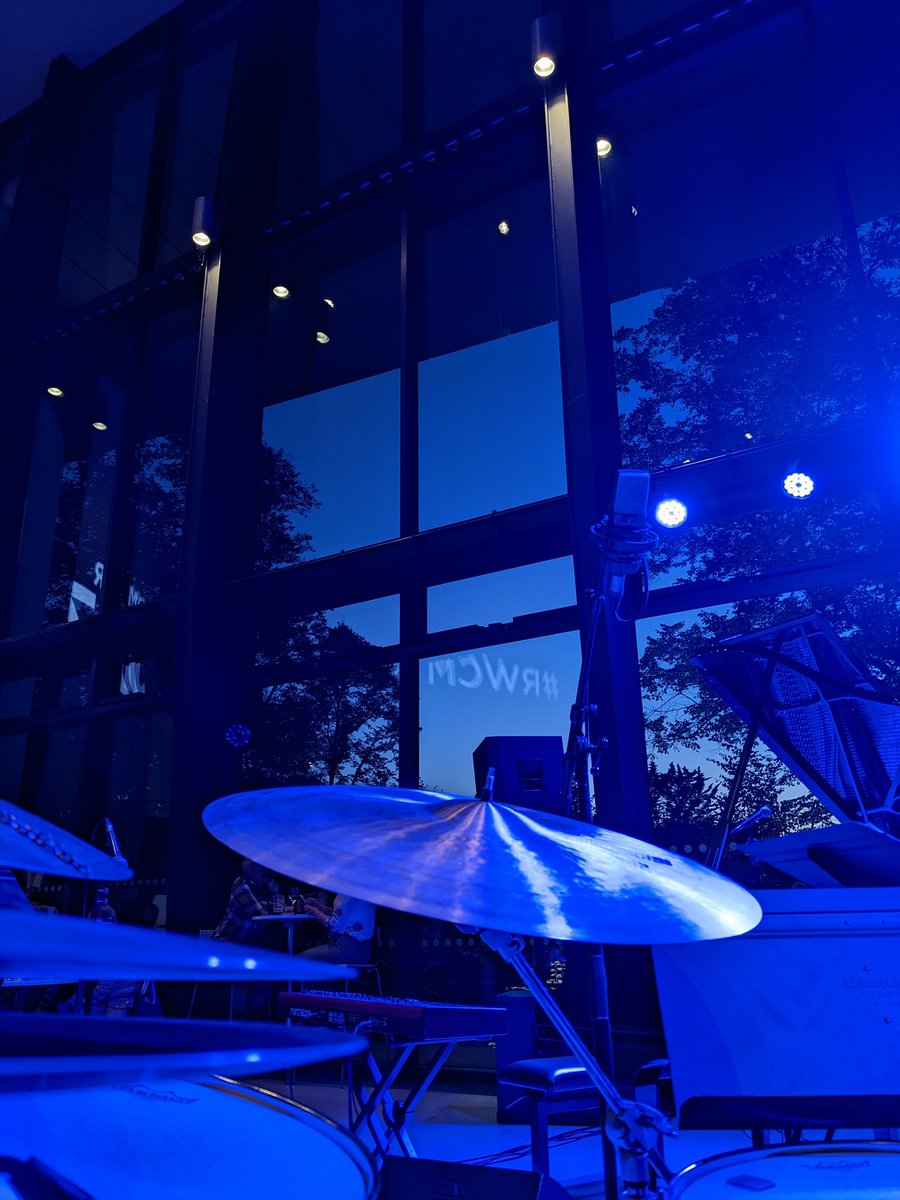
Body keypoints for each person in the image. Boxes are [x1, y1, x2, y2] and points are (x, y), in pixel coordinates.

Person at [298, 892, 376, 964]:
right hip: (365, 950)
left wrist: (315, 912)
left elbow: (333, 925)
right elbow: (344, 915)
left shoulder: (348, 891)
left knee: (297, 960)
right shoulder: (364, 889)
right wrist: (322, 908)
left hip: (346, 949)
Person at [213, 859, 277, 946]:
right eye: (261, 870)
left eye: (266, 870)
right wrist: (269, 905)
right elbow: (259, 913)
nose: (265, 874)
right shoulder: (241, 884)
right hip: (228, 941)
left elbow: (278, 907)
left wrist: (272, 897)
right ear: (251, 872)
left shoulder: (265, 887)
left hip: (248, 945)